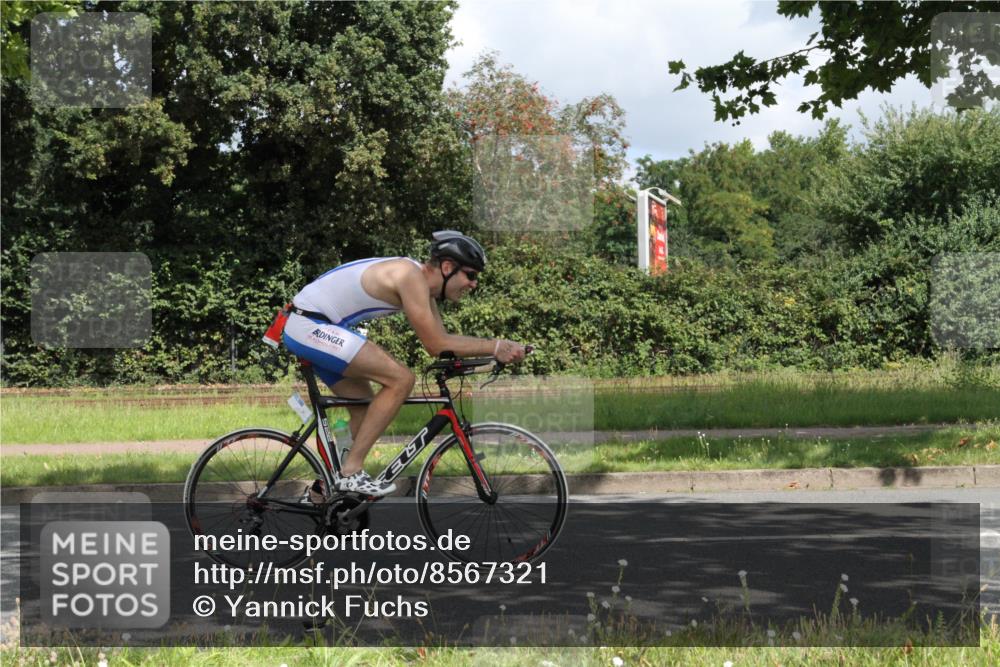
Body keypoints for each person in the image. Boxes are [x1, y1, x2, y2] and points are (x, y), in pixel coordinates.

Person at [281, 230, 527, 497]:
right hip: (308, 324)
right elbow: (435, 344)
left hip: (320, 325)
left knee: (364, 411)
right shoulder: (410, 277)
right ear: (447, 267)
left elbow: (443, 344)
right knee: (401, 379)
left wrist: (491, 353)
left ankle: (322, 492)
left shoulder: (424, 290)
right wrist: (496, 346)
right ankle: (351, 472)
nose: (473, 284)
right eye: (471, 275)